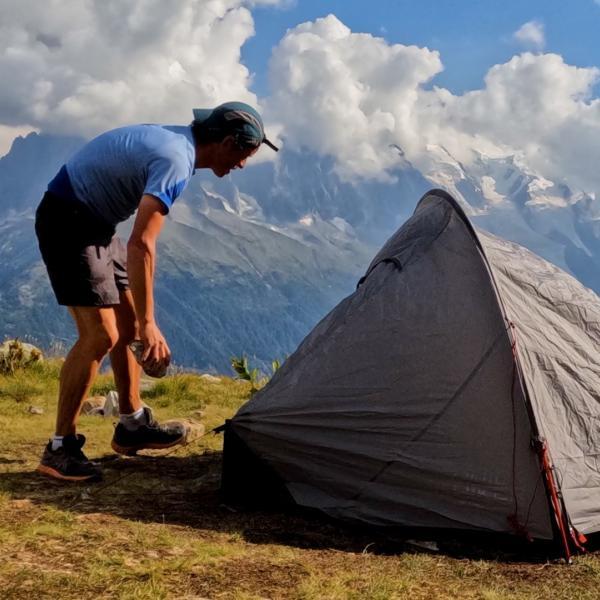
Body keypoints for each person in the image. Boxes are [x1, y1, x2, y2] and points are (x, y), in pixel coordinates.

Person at [34, 101, 279, 482]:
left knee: (128, 327)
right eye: (246, 153)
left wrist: (143, 323)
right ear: (227, 142)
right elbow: (141, 245)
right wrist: (151, 323)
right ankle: (59, 447)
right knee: (101, 335)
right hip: (68, 222)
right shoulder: (176, 159)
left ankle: (132, 424)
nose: (243, 164)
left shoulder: (179, 145)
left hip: (95, 223)